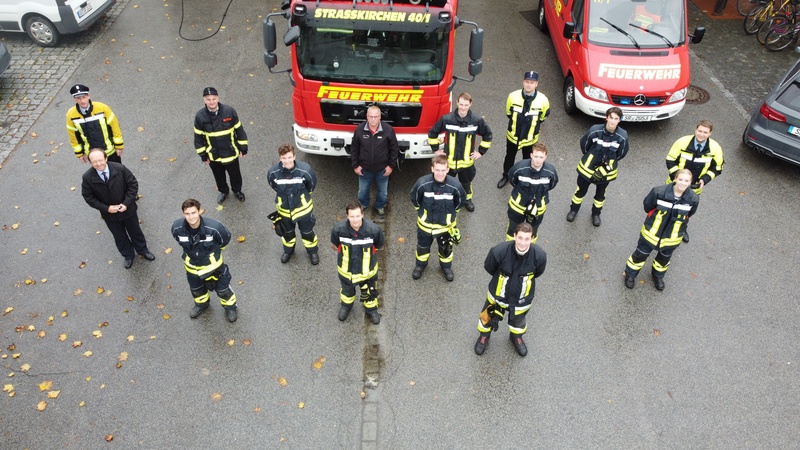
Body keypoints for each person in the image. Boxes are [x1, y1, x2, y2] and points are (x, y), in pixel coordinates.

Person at [474, 222, 546, 357]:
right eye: (520, 238)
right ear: (514, 236)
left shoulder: (539, 256)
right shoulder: (499, 251)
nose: (523, 243)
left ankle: (516, 337)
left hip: (521, 299)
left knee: (518, 321)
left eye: (526, 239)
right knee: (488, 316)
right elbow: (489, 267)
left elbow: (538, 272)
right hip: (497, 295)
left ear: (532, 239)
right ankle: (484, 336)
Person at [624, 169, 699, 291]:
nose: (683, 183)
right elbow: (647, 206)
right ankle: (630, 275)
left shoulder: (693, 198)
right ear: (675, 179)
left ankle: (658, 277)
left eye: (686, 181)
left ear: (690, 182)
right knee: (640, 255)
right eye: (680, 179)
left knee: (663, 260)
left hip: (671, 238)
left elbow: (689, 214)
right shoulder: (659, 192)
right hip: (651, 233)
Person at [81, 148, 155, 269]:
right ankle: (128, 255)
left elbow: (133, 185)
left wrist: (126, 203)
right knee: (119, 236)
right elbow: (89, 197)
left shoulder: (120, 169)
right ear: (90, 162)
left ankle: (142, 250)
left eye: (100, 160)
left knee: (135, 231)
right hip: (109, 215)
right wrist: (106, 208)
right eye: (94, 162)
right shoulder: (87, 178)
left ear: (106, 158)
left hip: (128, 210)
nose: (98, 164)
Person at [171, 198, 239, 322]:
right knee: (197, 291)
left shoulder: (214, 228)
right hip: (192, 269)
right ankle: (201, 305)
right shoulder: (177, 228)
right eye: (187, 214)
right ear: (183, 214)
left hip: (214, 268)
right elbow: (178, 240)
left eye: (193, 213)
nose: (191, 217)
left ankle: (230, 308)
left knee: (223, 291)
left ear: (199, 211)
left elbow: (225, 240)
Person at [427, 92, 492, 212]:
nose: (463, 107)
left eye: (466, 105)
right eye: (461, 104)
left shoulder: (476, 120)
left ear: (470, 104)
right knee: (445, 182)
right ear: (457, 103)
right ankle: (445, 200)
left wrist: (481, 152)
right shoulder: (447, 119)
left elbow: (488, 135)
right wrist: (436, 149)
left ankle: (467, 200)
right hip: (449, 162)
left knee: (466, 183)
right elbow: (432, 133)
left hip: (467, 162)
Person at [566, 106, 629, 227]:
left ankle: (596, 214)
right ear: (606, 118)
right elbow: (584, 145)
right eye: (611, 118)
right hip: (587, 169)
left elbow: (621, 153)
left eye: (616, 118)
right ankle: (573, 210)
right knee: (580, 191)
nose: (612, 121)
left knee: (600, 194)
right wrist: (591, 156)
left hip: (606, 172)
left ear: (619, 120)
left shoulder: (622, 136)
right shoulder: (595, 130)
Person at [409, 154, 467, 282]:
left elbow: (460, 202)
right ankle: (420, 266)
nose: (440, 173)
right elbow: (415, 198)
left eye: (443, 170)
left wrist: (451, 215)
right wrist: (422, 212)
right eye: (437, 170)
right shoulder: (423, 183)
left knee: (446, 250)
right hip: (425, 226)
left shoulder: (455, 186)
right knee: (422, 249)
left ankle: (446, 267)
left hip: (445, 228)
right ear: (432, 169)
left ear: (447, 169)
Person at [665, 119, 724, 243]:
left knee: (686, 210)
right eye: (700, 131)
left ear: (710, 133)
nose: (701, 134)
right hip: (674, 184)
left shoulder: (715, 148)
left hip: (695, 187)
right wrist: (678, 177)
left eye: (705, 132)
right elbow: (670, 159)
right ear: (695, 130)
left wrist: (705, 179)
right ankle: (664, 226)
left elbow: (718, 168)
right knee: (666, 206)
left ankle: (682, 228)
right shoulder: (682, 142)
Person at [331, 202, 385, 324]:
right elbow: (335, 244)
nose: (355, 220)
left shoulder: (374, 230)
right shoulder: (338, 229)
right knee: (347, 292)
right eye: (352, 216)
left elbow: (378, 244)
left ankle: (371, 310)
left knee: (369, 292)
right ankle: (346, 306)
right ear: (347, 216)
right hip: (346, 272)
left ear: (362, 215)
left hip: (367, 273)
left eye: (357, 216)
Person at [194, 87, 249, 204]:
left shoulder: (229, 112)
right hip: (214, 155)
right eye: (208, 99)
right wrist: (203, 155)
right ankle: (224, 191)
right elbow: (198, 137)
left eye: (213, 98)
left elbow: (239, 130)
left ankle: (237, 191)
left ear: (218, 98)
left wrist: (243, 147)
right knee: (219, 176)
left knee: (235, 175)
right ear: (204, 100)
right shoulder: (200, 116)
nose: (212, 102)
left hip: (230, 152)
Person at [267, 144, 320, 265]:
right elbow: (274, 186)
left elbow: (311, 186)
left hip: (303, 210)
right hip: (284, 210)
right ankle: (288, 251)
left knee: (307, 232)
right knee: (287, 233)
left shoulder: (305, 170)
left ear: (294, 156)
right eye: (284, 158)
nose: (287, 161)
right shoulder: (273, 172)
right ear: (280, 158)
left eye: (289, 157)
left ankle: (312, 251)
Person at [497, 71, 550, 189]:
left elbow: (543, 116)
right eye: (527, 82)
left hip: (530, 139)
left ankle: (525, 180)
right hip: (513, 136)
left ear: (536, 84)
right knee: (509, 156)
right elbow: (508, 113)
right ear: (523, 82)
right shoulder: (513, 96)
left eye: (532, 82)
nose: (529, 85)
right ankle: (506, 176)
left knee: (528, 160)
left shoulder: (543, 100)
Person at [350, 105, 400, 220]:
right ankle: (363, 204)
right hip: (364, 169)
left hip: (382, 170)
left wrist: (391, 166)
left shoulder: (388, 130)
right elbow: (354, 149)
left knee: (383, 192)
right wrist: (356, 165)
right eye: (371, 116)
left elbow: (394, 149)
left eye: (375, 117)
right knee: (362, 191)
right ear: (367, 116)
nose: (373, 119)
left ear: (380, 117)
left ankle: (380, 206)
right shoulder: (359, 129)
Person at [505, 142, 558, 243]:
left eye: (541, 157)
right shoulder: (519, 168)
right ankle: (510, 250)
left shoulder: (550, 172)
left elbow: (552, 184)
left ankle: (529, 252)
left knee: (533, 232)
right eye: (536, 156)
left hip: (538, 208)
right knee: (512, 232)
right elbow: (512, 179)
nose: (538, 160)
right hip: (518, 206)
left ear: (546, 157)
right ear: (531, 155)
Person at [66, 84, 124, 164]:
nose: (82, 101)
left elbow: (115, 127)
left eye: (84, 97)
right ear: (74, 99)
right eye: (78, 98)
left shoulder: (102, 108)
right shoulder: (71, 114)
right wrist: (79, 153)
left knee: (118, 173)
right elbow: (73, 136)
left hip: (110, 151)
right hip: (92, 155)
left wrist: (119, 146)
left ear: (88, 96)